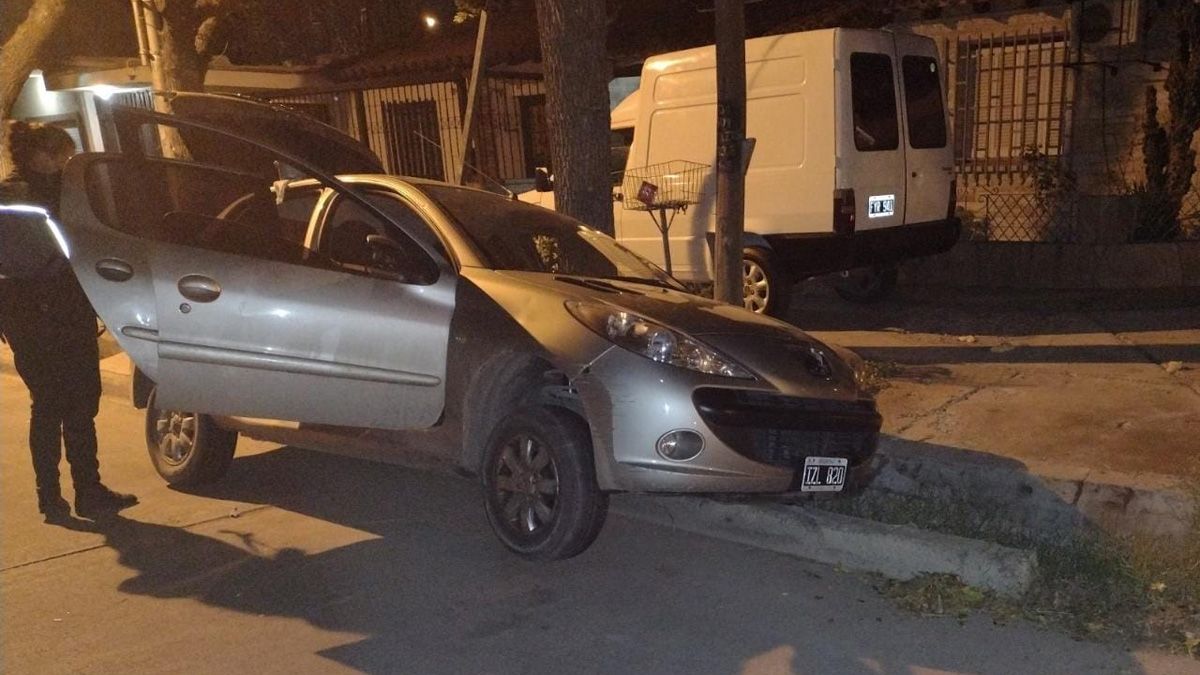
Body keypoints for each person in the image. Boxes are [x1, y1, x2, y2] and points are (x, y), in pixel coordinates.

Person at [0, 120, 137, 521]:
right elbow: (71, 256)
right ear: (41, 155)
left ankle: (52, 499)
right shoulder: (50, 197)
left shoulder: (7, 196)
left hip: (21, 317)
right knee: (78, 403)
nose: (67, 162)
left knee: (46, 405)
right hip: (58, 311)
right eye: (62, 154)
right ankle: (87, 491)